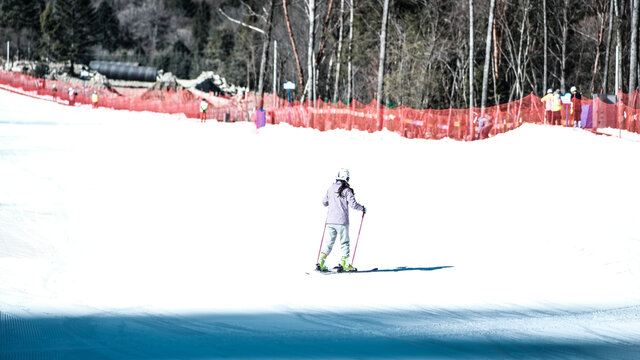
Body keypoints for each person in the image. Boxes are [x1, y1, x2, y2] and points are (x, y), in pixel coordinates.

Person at [317, 168, 366, 272]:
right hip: (342, 222)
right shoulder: (347, 190)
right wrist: (362, 208)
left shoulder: (330, 188)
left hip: (330, 221)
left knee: (329, 242)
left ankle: (321, 262)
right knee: (344, 243)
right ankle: (345, 264)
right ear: (346, 178)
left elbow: (324, 202)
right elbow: (353, 205)